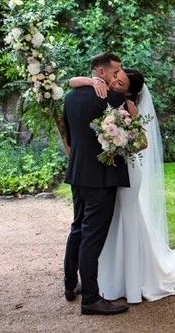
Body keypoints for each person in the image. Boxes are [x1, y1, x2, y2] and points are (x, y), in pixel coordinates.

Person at [69, 69, 175, 304]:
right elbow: (73, 81)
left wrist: (117, 144)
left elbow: (143, 143)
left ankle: (135, 282)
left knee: (127, 219)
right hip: (110, 173)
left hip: (127, 172)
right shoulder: (103, 93)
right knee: (112, 223)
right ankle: (112, 280)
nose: (115, 81)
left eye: (121, 81)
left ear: (129, 91)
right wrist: (93, 80)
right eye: (116, 75)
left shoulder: (128, 106)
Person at [63, 52, 130, 315]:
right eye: (115, 72)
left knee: (78, 228)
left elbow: (70, 138)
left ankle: (71, 284)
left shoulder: (70, 98)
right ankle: (90, 298)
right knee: (92, 237)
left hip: (77, 174)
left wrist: (84, 81)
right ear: (101, 73)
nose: (118, 76)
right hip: (100, 179)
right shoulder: (112, 99)